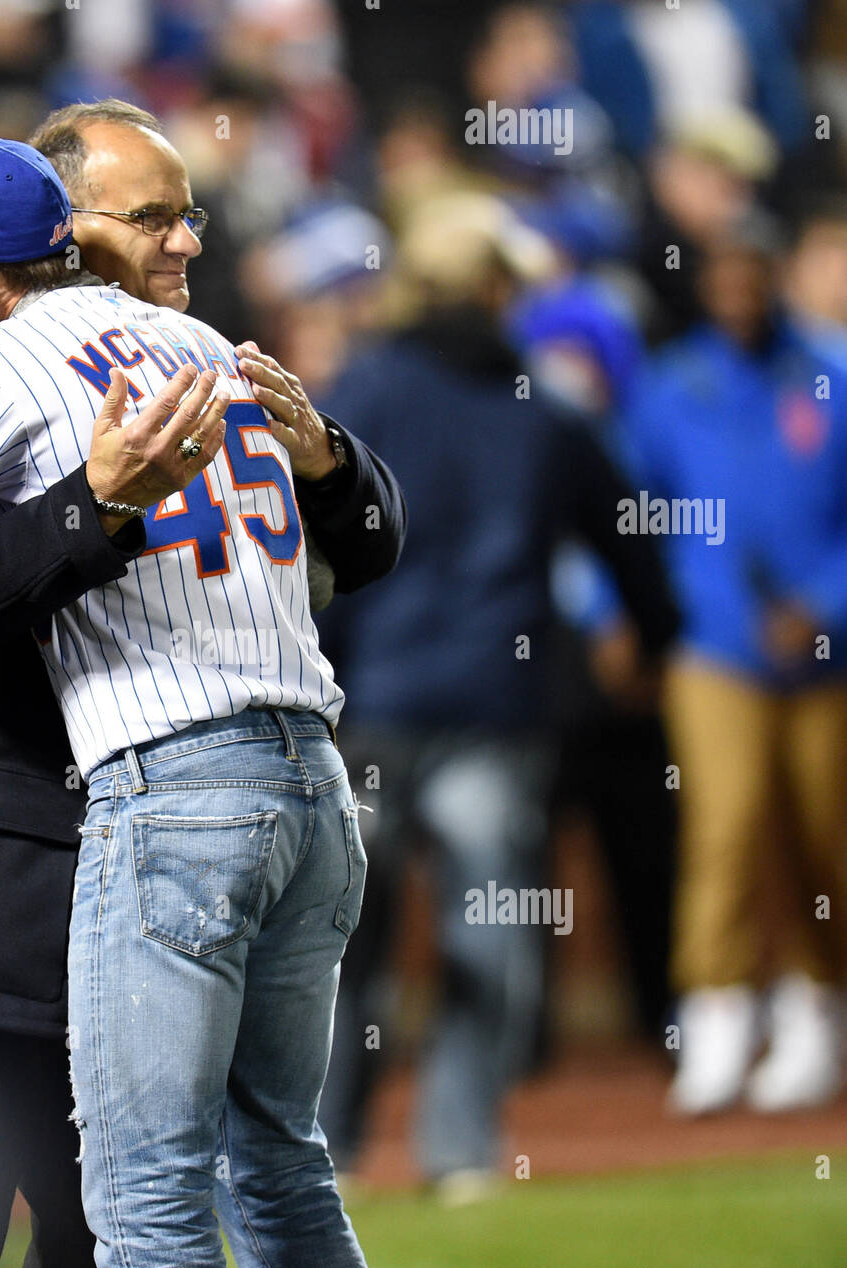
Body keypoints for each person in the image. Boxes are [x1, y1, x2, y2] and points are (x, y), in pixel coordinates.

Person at [0, 113, 404, 1268]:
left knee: (131, 1207)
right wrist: (92, 508)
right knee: (253, 1169)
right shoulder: (182, 354)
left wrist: (322, 463)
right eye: (153, 216)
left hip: (153, 813)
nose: (183, 239)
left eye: (186, 214)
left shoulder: (99, 358)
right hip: (42, 856)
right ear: (64, 228)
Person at [313, 194, 678, 1197]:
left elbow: (313, 557)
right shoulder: (548, 406)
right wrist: (656, 639)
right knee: (485, 932)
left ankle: (331, 1149)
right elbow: (632, 542)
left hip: (373, 701)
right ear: (486, 285)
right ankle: (461, 1145)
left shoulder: (359, 393)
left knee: (347, 940)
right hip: (496, 707)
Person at [628, 219, 847, 1115]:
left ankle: (811, 1007)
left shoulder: (831, 372)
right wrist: (620, 612)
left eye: (755, 267)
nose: (740, 287)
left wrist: (825, 605)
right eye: (724, 272)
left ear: (776, 274)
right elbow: (632, 511)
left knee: (821, 832)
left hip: (826, 653)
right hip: (713, 643)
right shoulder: (672, 384)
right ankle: (716, 1011)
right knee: (731, 819)